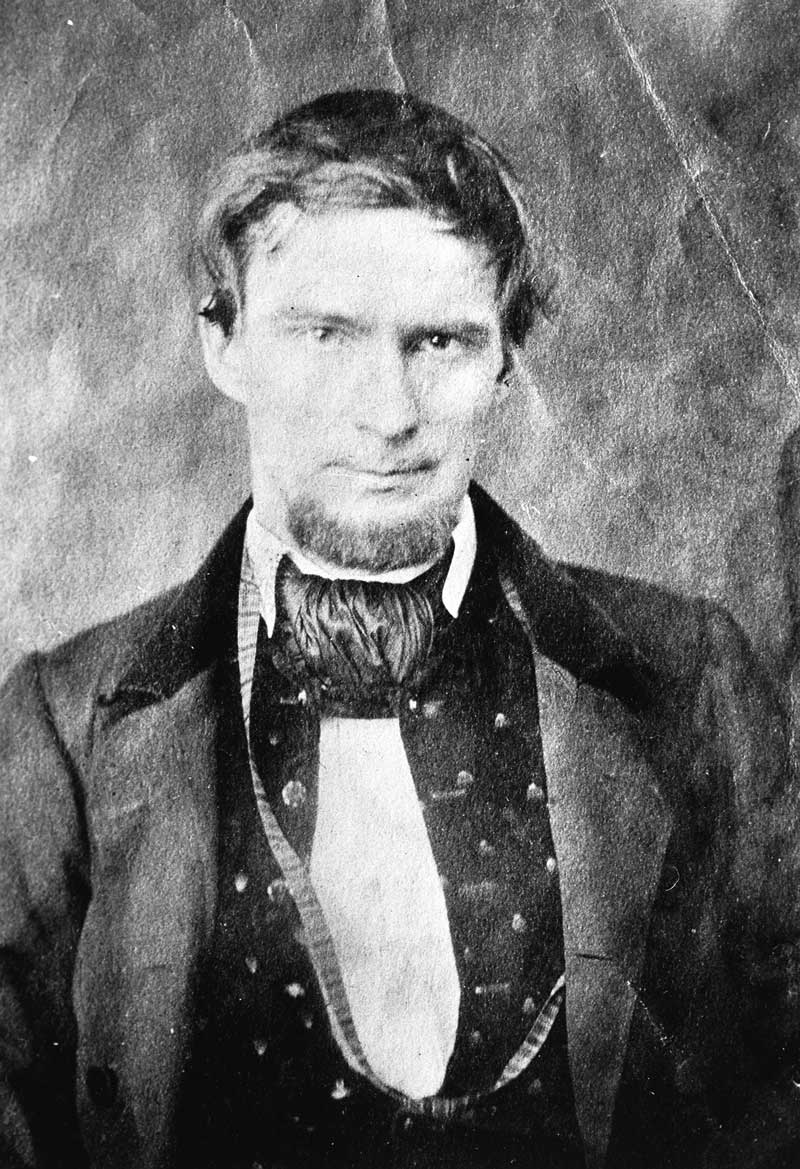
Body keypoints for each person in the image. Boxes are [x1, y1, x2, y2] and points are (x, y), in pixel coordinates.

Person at [0, 88, 798, 1169]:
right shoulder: (62, 726)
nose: (388, 412)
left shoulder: (690, 678)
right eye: (324, 334)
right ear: (223, 344)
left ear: (505, 358)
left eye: (440, 340)